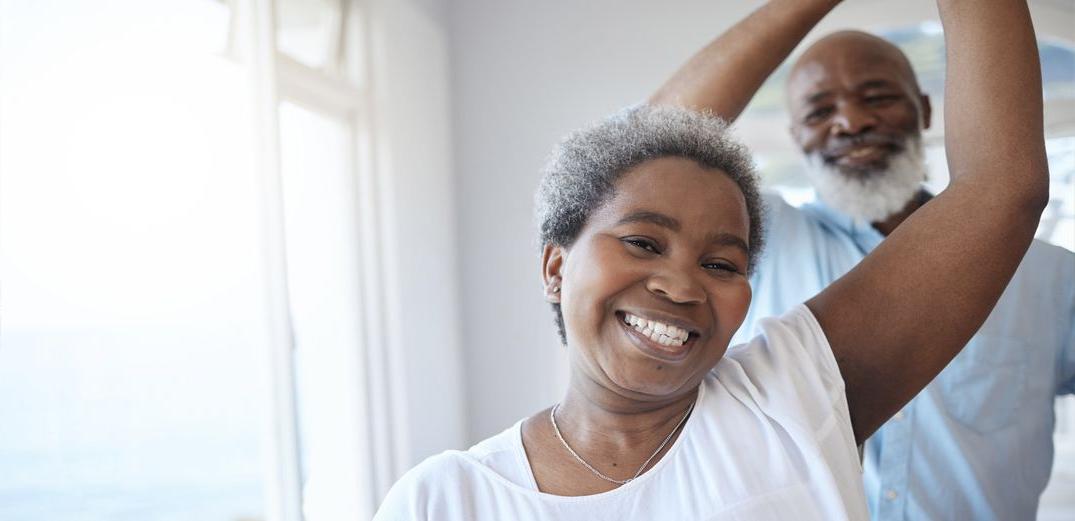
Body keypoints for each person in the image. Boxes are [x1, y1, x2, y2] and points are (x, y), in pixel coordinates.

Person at [373, 0, 1049, 519]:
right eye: (641, 241)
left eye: (722, 263)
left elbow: (1001, 190)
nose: (679, 283)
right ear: (554, 266)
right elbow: (645, 147)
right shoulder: (446, 496)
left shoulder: (789, 398)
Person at [650, 0, 1075, 518]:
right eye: (819, 110)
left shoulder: (1051, 276)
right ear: (796, 137)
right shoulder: (755, 238)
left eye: (876, 97)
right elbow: (649, 147)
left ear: (924, 109)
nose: (850, 122)